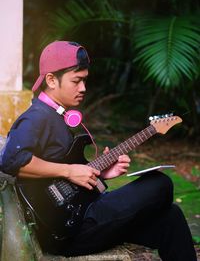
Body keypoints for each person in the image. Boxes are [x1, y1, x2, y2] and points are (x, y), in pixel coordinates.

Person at [0, 41, 197, 261]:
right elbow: (12, 161)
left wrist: (100, 173)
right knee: (160, 184)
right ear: (51, 80)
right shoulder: (35, 117)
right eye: (77, 80)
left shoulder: (56, 115)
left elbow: (62, 177)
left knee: (171, 217)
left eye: (84, 80)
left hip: (79, 214)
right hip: (69, 230)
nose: (83, 88)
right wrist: (69, 171)